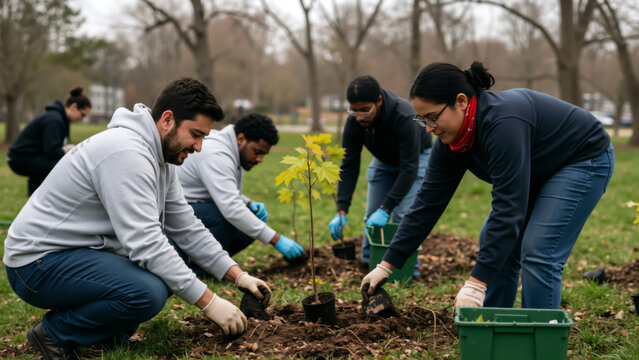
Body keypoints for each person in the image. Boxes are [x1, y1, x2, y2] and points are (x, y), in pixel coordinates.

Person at [3, 78, 270, 360]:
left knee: (167, 268)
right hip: (35, 262)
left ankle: (105, 333)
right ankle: (55, 333)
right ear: (167, 120)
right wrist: (210, 302)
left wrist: (236, 274)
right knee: (148, 290)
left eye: (203, 136)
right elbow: (146, 243)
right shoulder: (127, 153)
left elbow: (187, 225)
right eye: (195, 134)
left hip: (74, 252)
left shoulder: (160, 156)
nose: (199, 147)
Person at [361, 61, 614, 310]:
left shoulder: (503, 124)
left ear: (461, 101)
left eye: (432, 118)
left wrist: (476, 284)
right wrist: (387, 265)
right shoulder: (452, 141)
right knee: (494, 240)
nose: (427, 129)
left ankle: (539, 341)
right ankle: (493, 326)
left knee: (539, 250)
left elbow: (508, 209)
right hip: (540, 165)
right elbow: (427, 203)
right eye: (421, 120)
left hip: (581, 159)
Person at [328, 75, 433, 266]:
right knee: (371, 215)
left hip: (417, 157)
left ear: (379, 101)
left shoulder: (406, 116)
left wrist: (386, 208)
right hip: (384, 160)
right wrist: (341, 210)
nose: (359, 116)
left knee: (402, 216)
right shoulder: (354, 123)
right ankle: (370, 263)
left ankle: (407, 268)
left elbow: (409, 168)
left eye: (365, 110)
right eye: (354, 110)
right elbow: (349, 166)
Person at [176, 113, 304, 269]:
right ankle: (198, 267)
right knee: (226, 218)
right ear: (241, 139)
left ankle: (215, 261)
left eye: (264, 154)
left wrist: (248, 203)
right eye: (257, 152)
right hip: (174, 211)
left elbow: (226, 191)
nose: (260, 159)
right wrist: (277, 240)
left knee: (251, 219)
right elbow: (231, 208)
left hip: (198, 206)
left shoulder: (234, 151)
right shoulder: (217, 154)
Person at [7, 87, 91, 195]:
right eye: (83, 114)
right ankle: (52, 195)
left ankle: (34, 193)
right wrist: (67, 151)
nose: (82, 119)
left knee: (55, 162)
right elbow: (52, 152)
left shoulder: (58, 118)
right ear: (74, 106)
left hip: (26, 157)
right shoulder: (54, 120)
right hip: (18, 159)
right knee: (63, 164)